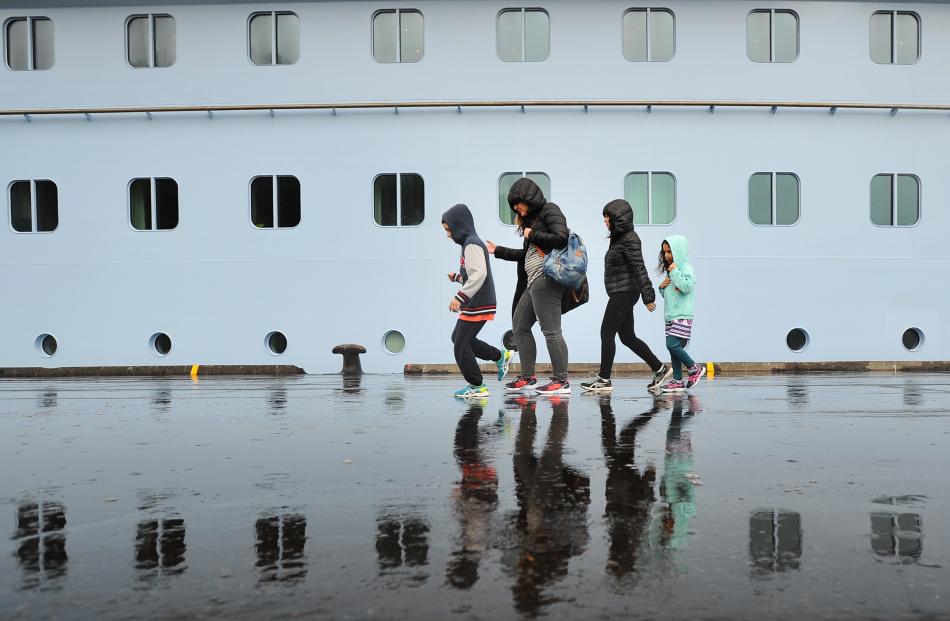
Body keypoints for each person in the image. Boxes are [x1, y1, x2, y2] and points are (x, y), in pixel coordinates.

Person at [486, 178, 571, 395]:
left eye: (518, 203)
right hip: (532, 281)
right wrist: (498, 250)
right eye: (514, 206)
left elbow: (562, 238)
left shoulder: (550, 210)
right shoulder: (531, 221)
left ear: (529, 198)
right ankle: (528, 376)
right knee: (520, 326)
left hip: (547, 278)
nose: (516, 209)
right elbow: (525, 256)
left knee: (551, 330)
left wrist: (532, 234)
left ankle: (561, 381)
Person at [581, 199, 672, 393]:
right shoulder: (619, 238)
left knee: (606, 332)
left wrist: (648, 296)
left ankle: (604, 379)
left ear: (617, 218)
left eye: (607, 218)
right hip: (622, 292)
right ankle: (660, 368)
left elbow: (638, 267)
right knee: (627, 337)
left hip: (625, 293)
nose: (605, 221)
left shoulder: (630, 238)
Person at [442, 204, 512, 398]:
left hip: (478, 302)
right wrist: (457, 277)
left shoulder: (472, 243)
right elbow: (472, 274)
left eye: (449, 230)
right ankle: (500, 356)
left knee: (460, 346)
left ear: (459, 225)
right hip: (477, 302)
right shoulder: (469, 243)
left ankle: (477, 386)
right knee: (459, 338)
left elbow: (479, 275)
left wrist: (459, 297)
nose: (448, 235)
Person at [656, 235, 705, 393]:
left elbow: (686, 287)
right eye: (664, 252)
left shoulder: (685, 268)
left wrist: (675, 271)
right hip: (671, 315)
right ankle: (677, 380)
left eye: (669, 251)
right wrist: (662, 288)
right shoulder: (672, 270)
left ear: (678, 251)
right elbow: (671, 295)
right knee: (673, 348)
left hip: (682, 315)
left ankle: (694, 368)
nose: (667, 255)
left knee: (671, 345)